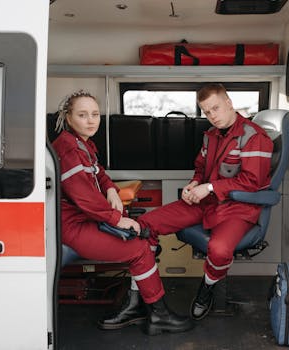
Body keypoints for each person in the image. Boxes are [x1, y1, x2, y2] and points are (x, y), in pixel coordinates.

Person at [100, 83, 274, 324]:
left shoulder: (255, 137)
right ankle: (138, 299)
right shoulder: (210, 136)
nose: (212, 116)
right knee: (143, 225)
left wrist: (210, 187)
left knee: (220, 250)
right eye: (207, 111)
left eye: (216, 108)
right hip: (205, 202)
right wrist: (194, 184)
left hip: (238, 208)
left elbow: (252, 182)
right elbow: (201, 167)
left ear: (229, 103)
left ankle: (208, 287)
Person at [51, 90, 193, 335]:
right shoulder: (68, 149)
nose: (91, 120)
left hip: (87, 220)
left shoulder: (82, 143)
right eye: (82, 115)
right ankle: (159, 315)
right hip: (73, 226)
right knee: (139, 250)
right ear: (69, 117)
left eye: (95, 114)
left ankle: (138, 306)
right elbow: (84, 199)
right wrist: (118, 219)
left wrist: (111, 190)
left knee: (143, 238)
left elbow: (100, 175)